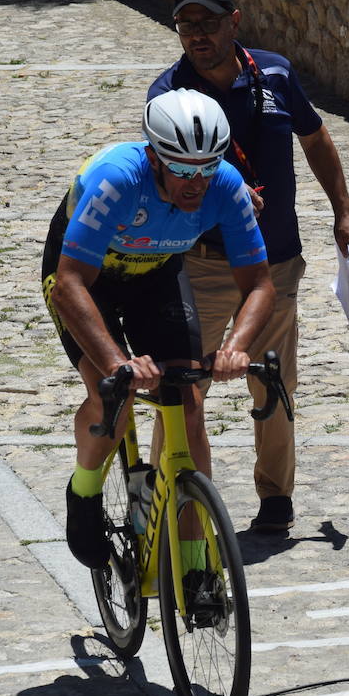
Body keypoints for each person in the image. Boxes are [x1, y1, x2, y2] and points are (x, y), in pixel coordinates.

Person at [149, 0, 349, 534]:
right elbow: (166, 172)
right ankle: (169, 496)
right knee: (181, 384)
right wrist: (220, 181)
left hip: (276, 260)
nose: (197, 35)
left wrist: (343, 209)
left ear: (234, 20)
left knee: (273, 382)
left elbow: (315, 138)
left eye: (208, 23)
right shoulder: (171, 94)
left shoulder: (275, 72)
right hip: (201, 263)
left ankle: (275, 498)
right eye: (187, 25)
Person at [42, 89, 274, 568]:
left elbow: (260, 284)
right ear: (153, 157)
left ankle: (193, 563)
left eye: (207, 167)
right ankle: (83, 491)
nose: (197, 182)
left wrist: (235, 347)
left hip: (157, 274)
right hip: (87, 280)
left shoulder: (226, 186)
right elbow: (69, 283)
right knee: (116, 395)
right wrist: (116, 363)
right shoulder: (118, 179)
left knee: (188, 404)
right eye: (184, 169)